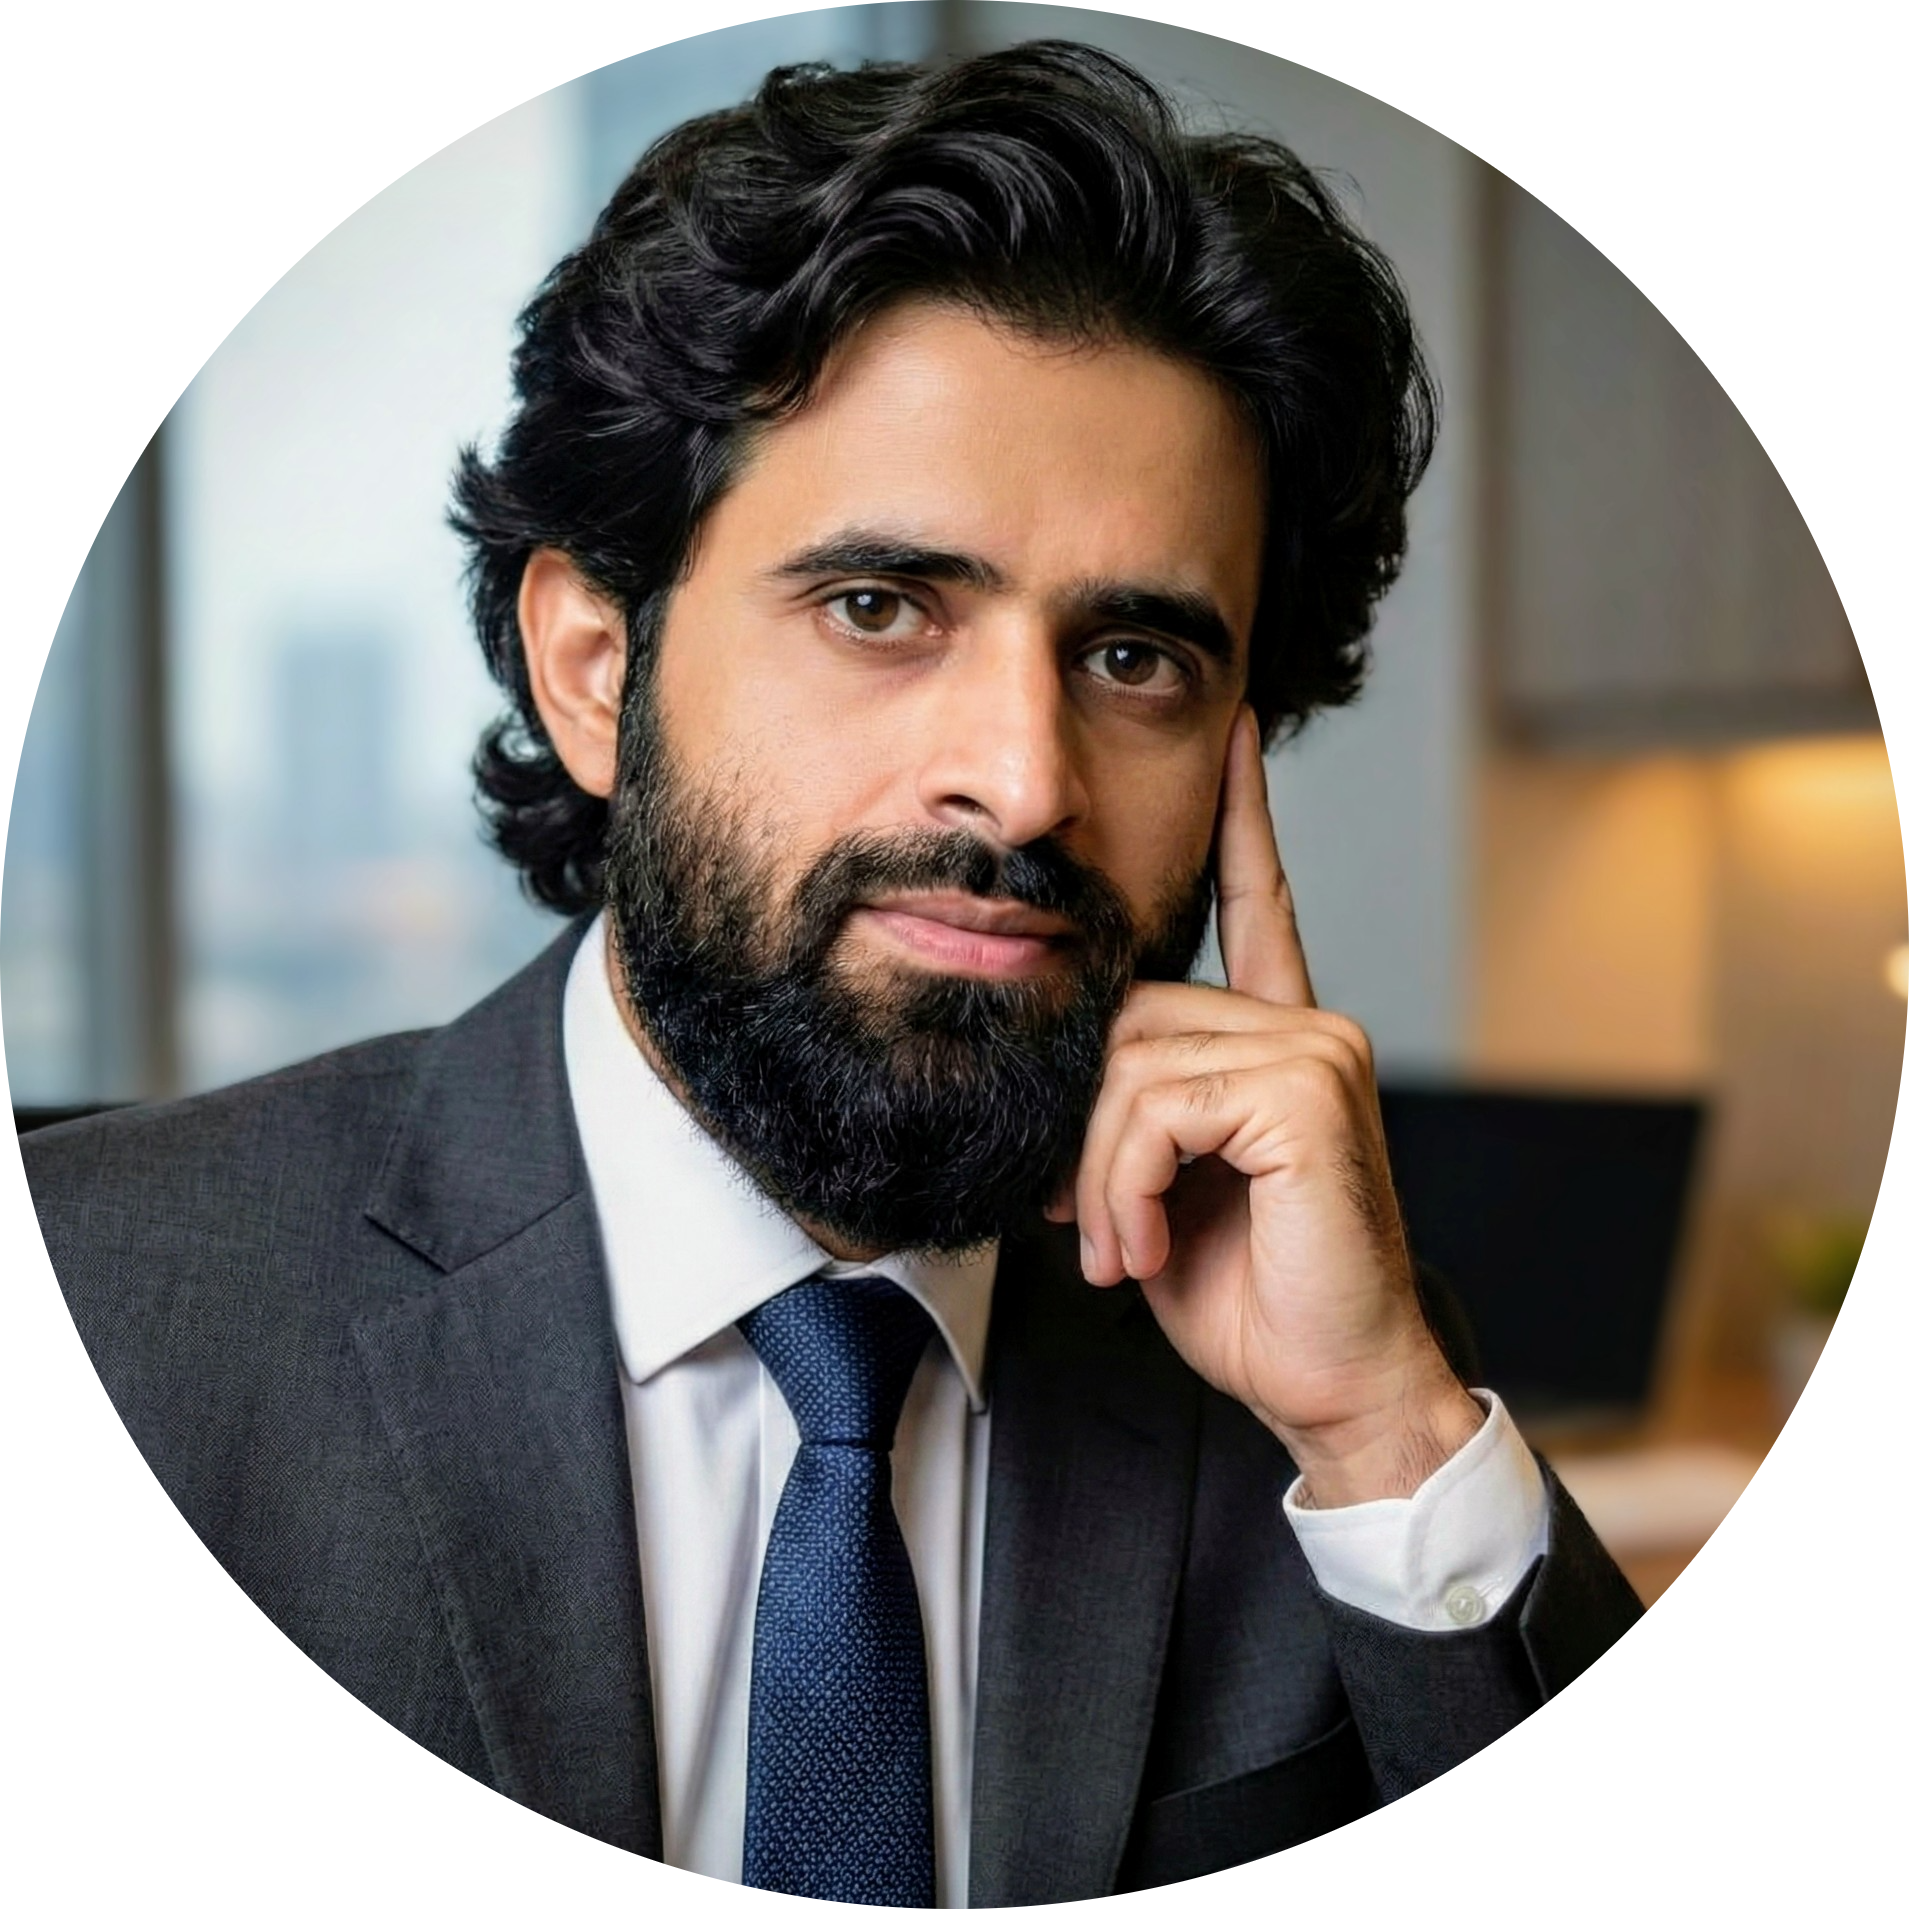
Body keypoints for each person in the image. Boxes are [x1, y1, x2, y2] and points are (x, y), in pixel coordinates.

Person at [25, 41, 1641, 1904]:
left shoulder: (1314, 1370)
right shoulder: (121, 1304)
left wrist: (1382, 1435)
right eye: (880, 609)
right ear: (593, 670)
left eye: (1134, 659)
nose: (1023, 782)